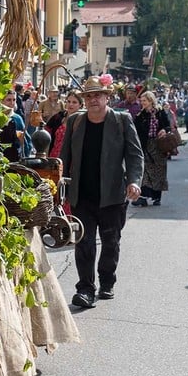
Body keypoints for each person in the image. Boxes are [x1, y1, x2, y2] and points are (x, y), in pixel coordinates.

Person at [59, 74, 144, 309]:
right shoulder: (75, 121)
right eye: (88, 96)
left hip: (112, 195)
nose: (92, 100)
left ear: (107, 97)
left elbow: (135, 155)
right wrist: (58, 184)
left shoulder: (121, 120)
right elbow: (64, 156)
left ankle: (107, 281)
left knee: (110, 241)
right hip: (82, 195)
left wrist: (134, 181)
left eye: (97, 95)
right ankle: (85, 289)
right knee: (84, 243)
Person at [132, 91, 171, 207]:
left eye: (144, 101)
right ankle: (143, 196)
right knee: (146, 171)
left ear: (150, 101)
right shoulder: (140, 115)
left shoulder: (159, 112)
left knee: (159, 170)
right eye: (141, 101)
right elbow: (136, 131)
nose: (142, 103)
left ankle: (157, 197)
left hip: (159, 144)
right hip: (146, 145)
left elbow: (168, 125)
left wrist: (165, 130)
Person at [0, 89, 32, 161]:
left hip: (15, 157)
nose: (12, 103)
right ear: (1, 101)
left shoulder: (17, 118)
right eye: (9, 100)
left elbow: (26, 141)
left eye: (14, 100)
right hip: (0, 156)